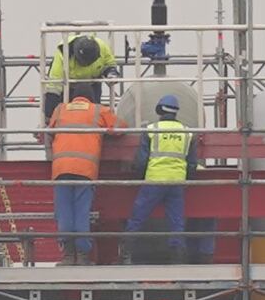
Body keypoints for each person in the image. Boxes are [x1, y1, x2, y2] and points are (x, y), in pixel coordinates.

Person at [46, 80, 118, 262]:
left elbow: (50, 130)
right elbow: (121, 127)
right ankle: (83, 255)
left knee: (64, 211)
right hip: (85, 169)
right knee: (81, 211)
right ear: (92, 97)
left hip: (61, 168)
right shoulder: (98, 110)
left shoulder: (60, 109)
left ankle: (69, 255)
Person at [131, 92, 195, 263]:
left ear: (159, 110)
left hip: (155, 180)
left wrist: (138, 177)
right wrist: (187, 179)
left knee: (138, 215)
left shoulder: (151, 130)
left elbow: (142, 160)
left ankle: (126, 253)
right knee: (176, 220)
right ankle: (178, 256)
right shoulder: (187, 132)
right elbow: (192, 162)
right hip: (177, 182)